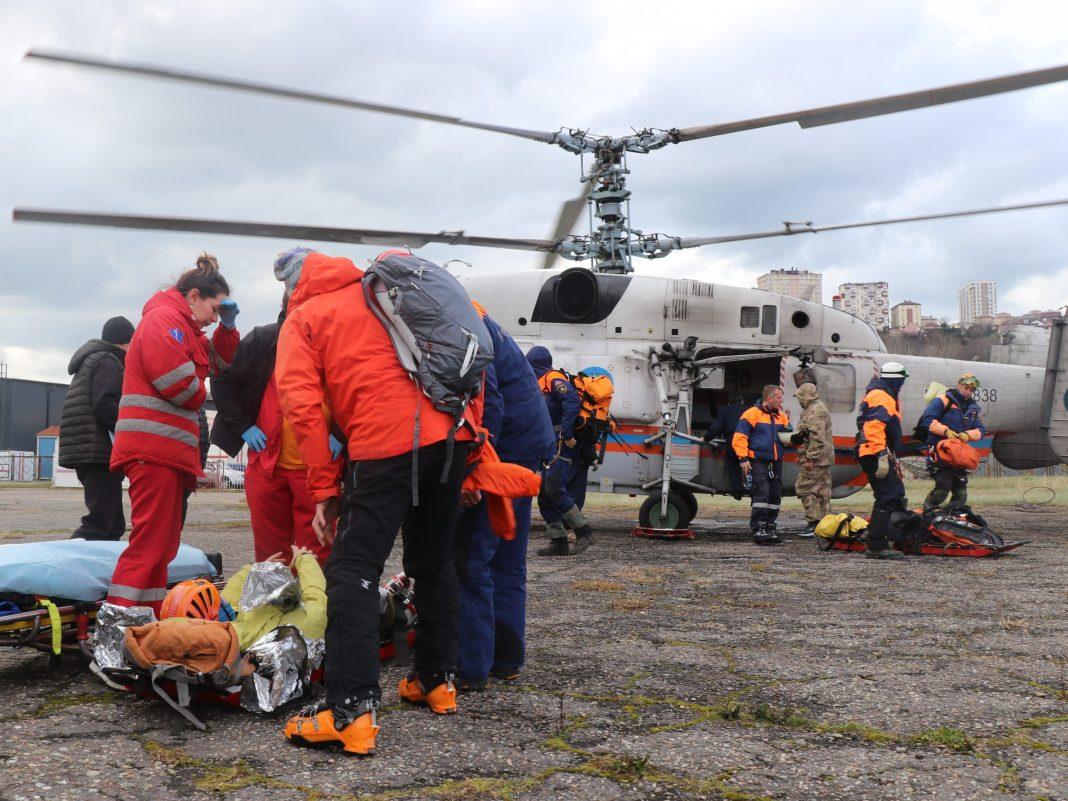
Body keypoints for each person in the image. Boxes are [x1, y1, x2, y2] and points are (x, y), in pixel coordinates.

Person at [275, 248, 480, 757]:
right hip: (451, 436)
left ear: (292, 286)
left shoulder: (305, 316)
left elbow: (301, 406)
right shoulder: (384, 292)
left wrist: (324, 489)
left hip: (386, 441)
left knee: (353, 570)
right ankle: (436, 681)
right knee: (433, 561)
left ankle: (350, 711)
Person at [106, 254, 239, 612]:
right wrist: (200, 390)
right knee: (150, 541)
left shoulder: (185, 330)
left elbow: (223, 366)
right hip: (153, 450)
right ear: (193, 296)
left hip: (167, 452)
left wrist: (228, 330)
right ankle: (117, 618)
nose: (214, 318)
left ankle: (146, 614)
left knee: (163, 544)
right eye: (215, 309)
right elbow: (181, 386)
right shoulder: (164, 320)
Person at [456, 304, 555, 691]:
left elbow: (490, 404)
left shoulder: (461, 323)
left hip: (506, 450)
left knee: (473, 556)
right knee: (507, 561)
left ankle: (471, 665)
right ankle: (505, 659)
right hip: (527, 447)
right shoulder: (477, 316)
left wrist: (472, 470)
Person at [210, 292, 342, 565]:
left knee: (316, 554)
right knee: (271, 556)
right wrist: (243, 426)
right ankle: (276, 595)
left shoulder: (336, 344)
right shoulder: (263, 341)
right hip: (266, 466)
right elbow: (223, 381)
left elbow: (358, 392)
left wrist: (340, 434)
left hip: (317, 469)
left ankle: (313, 595)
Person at [58, 316, 135, 541]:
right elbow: (104, 404)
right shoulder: (108, 360)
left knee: (113, 525)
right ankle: (69, 558)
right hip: (97, 452)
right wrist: (129, 430)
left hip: (88, 450)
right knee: (100, 523)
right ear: (125, 342)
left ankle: (104, 562)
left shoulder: (92, 360)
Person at [525, 346, 593, 556]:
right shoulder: (540, 382)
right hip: (550, 443)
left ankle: (584, 532)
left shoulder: (552, 378)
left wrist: (566, 432)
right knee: (545, 495)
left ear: (535, 364)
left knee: (554, 489)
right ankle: (559, 541)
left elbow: (572, 401)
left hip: (560, 442)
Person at [733, 384, 803, 545]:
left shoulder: (781, 416)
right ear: (769, 398)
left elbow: (788, 437)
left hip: (775, 461)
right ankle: (759, 528)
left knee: (775, 493)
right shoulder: (752, 414)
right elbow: (739, 437)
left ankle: (770, 526)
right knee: (762, 492)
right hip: (758, 460)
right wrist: (743, 459)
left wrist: (797, 439)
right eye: (778, 398)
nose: (781, 401)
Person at [856, 362, 909, 560]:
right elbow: (874, 427)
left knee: (896, 494)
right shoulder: (881, 396)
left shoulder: (884, 394)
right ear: (896, 380)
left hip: (877, 451)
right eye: (901, 380)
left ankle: (876, 533)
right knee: (887, 496)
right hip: (874, 453)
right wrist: (881, 455)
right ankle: (876, 546)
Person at [920, 372, 985, 512]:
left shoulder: (973, 408)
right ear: (958, 385)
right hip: (938, 448)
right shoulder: (942, 400)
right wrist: (946, 431)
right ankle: (928, 511)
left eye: (972, 389)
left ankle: (953, 514)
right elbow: (927, 420)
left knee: (961, 491)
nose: (968, 391)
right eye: (966, 388)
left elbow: (980, 430)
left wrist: (968, 435)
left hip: (958, 452)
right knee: (943, 487)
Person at [793, 383, 834, 538]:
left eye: (799, 397)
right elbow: (807, 436)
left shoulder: (815, 410)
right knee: (822, 490)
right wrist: (802, 454)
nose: (798, 400)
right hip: (822, 458)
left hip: (817, 459)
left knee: (803, 487)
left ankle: (813, 522)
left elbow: (817, 438)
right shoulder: (814, 408)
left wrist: (810, 458)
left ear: (805, 397)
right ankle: (825, 524)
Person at [703, 392, 746, 499]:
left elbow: (716, 427)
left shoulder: (725, 411)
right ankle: (753, 489)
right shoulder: (748, 410)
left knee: (732, 464)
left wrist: (706, 438)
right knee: (750, 465)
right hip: (747, 441)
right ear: (742, 402)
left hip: (732, 441)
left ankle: (737, 491)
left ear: (728, 403)